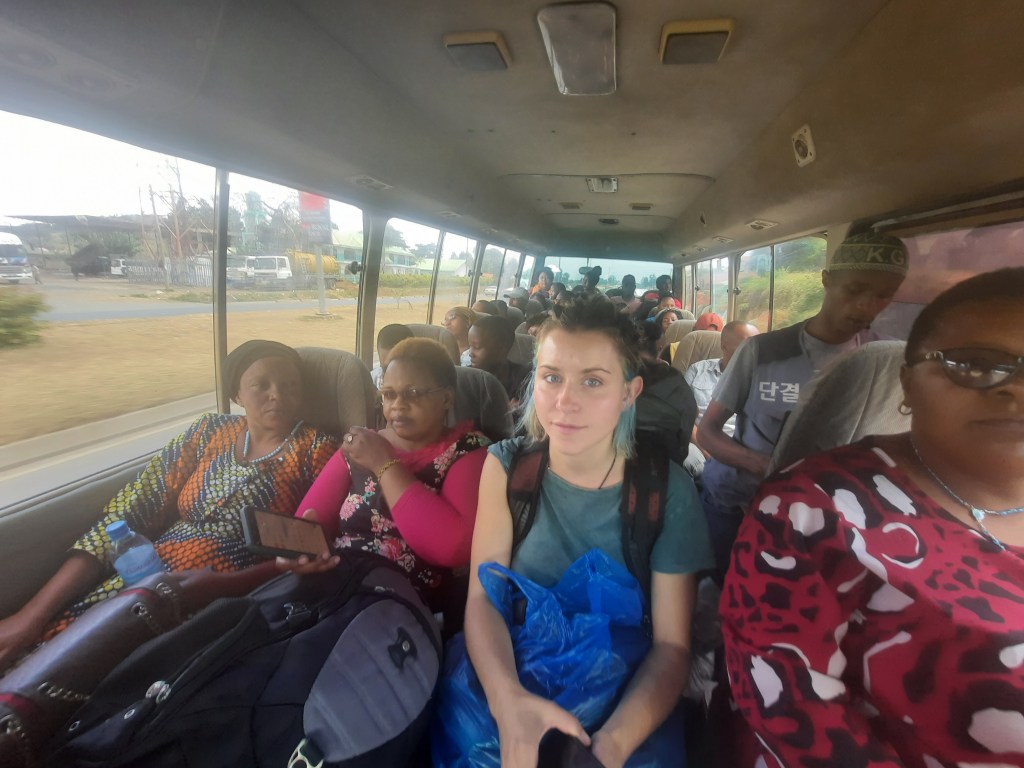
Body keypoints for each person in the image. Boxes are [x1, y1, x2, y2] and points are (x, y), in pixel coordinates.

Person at [721, 267, 1024, 768]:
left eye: (882, 294)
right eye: (974, 364)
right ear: (907, 385)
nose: (1015, 389)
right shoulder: (812, 511)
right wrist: (758, 466)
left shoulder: (867, 348)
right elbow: (798, 718)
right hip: (732, 493)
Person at [464, 296, 713, 768]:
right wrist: (507, 702)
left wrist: (609, 747)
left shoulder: (665, 490)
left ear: (629, 393)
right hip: (509, 667)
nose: (565, 401)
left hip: (627, 690)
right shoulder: (507, 468)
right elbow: (483, 600)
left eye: (593, 381)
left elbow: (671, 646)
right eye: (551, 377)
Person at [0, 340, 338, 669]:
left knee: (87, 672)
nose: (278, 395)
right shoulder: (208, 431)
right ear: (237, 394)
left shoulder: (315, 449)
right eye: (261, 385)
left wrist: (225, 585)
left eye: (291, 386)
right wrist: (32, 615)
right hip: (143, 575)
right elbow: (132, 510)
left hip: (227, 598)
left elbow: (310, 550)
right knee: (47, 648)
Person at [697, 231, 909, 576]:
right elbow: (707, 431)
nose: (866, 306)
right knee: (727, 584)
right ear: (827, 280)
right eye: (854, 290)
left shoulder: (885, 361)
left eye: (883, 295)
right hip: (738, 501)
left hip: (823, 513)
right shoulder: (763, 352)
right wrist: (770, 467)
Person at [295, 338, 490, 613]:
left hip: (406, 606)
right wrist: (301, 554)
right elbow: (304, 525)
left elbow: (452, 548)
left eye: (413, 393)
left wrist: (384, 463)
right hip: (338, 585)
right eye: (389, 394)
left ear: (446, 398)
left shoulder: (469, 451)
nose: (398, 405)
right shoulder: (361, 445)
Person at [683, 321, 759, 479]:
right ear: (724, 346)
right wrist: (707, 452)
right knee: (687, 458)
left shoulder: (763, 379)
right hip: (699, 444)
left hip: (743, 448)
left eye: (757, 344)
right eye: (747, 345)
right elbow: (683, 415)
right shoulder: (698, 370)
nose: (754, 350)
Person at [467, 314, 530, 403]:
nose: (470, 353)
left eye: (477, 347)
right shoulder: (466, 378)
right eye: (470, 346)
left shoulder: (524, 378)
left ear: (502, 349)